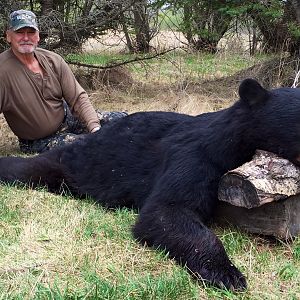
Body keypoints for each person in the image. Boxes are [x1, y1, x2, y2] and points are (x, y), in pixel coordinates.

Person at [0, 9, 127, 153]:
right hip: (40, 140)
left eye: (31, 32)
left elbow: (77, 98)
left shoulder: (53, 60)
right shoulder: (3, 70)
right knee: (88, 147)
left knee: (122, 121)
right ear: (8, 36)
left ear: (38, 36)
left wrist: (95, 127)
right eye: (19, 32)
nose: (26, 37)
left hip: (69, 119)